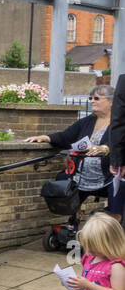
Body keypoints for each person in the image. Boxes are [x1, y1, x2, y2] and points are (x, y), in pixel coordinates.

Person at [23, 84, 123, 222]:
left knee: (120, 187)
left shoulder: (120, 123)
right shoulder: (87, 121)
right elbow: (66, 136)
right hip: (82, 176)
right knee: (65, 183)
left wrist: (104, 148)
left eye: (97, 98)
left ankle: (115, 224)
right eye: (90, 98)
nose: (92, 101)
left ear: (111, 102)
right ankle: (73, 223)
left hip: (108, 177)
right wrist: (46, 137)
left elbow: (120, 144)